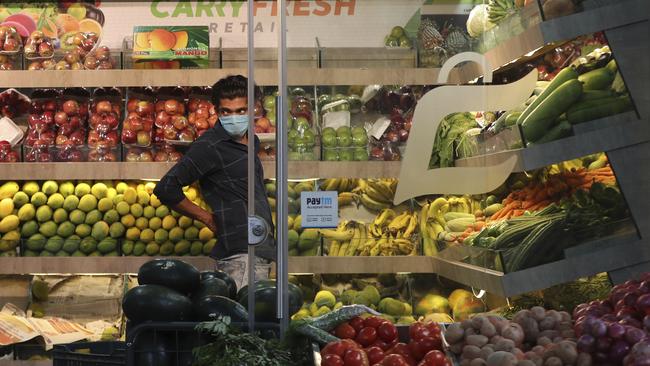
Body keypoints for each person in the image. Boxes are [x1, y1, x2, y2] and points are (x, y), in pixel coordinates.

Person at [154, 75, 275, 290]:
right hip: (240, 254)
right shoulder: (209, 146)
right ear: (217, 110)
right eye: (226, 112)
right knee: (245, 318)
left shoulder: (252, 141)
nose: (234, 117)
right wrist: (206, 217)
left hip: (259, 248)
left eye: (241, 111)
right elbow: (166, 188)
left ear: (254, 108)